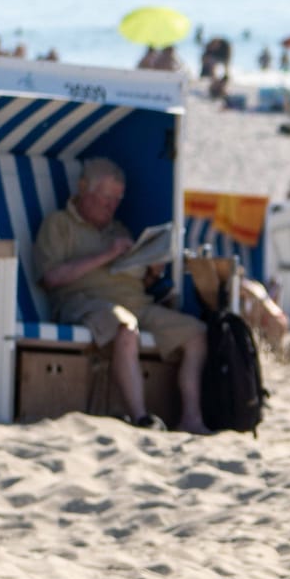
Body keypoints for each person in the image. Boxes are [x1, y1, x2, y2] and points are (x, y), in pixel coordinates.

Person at [34, 158, 210, 433]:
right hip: (86, 303)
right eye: (106, 197)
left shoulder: (119, 230)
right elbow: (51, 278)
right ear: (83, 189)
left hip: (137, 303)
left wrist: (152, 272)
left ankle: (191, 420)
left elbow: (135, 278)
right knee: (126, 328)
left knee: (196, 334)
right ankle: (141, 418)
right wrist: (106, 254)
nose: (111, 205)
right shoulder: (59, 224)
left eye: (117, 199)